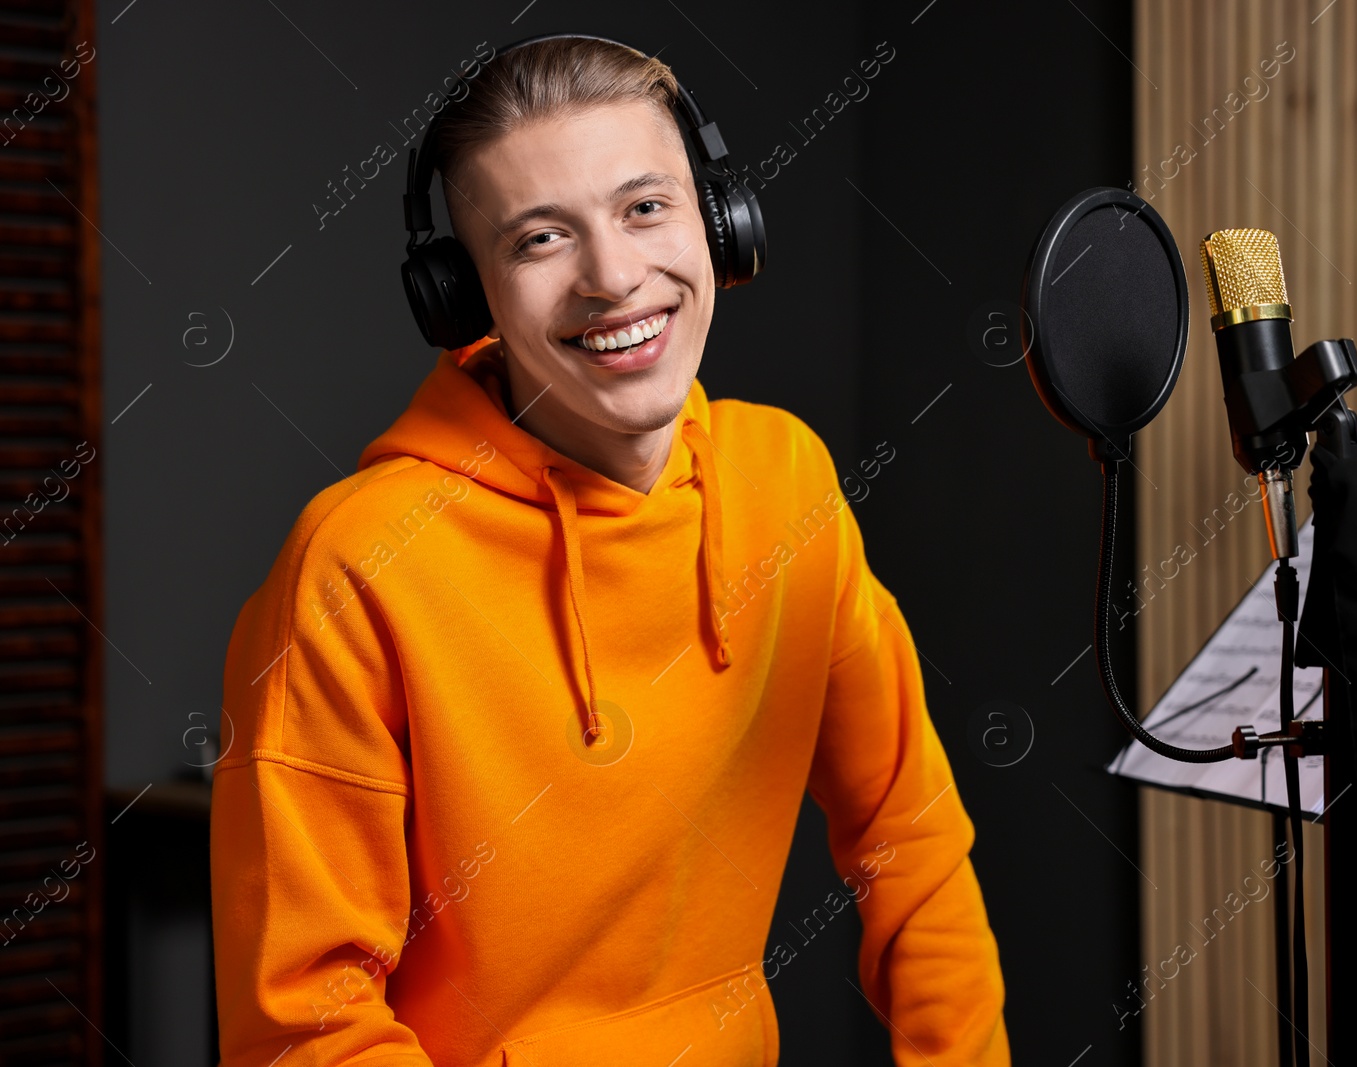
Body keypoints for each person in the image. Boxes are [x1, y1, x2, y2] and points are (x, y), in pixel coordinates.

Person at [210, 34, 1009, 1066]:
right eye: (541, 239)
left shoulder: (787, 483)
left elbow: (914, 839)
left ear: (719, 223)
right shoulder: (355, 566)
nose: (615, 276)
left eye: (645, 207)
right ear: (465, 297)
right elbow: (303, 1025)